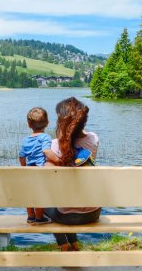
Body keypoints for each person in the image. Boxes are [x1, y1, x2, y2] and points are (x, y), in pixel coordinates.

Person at [43, 97, 100, 251]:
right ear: (84, 121)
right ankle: (74, 244)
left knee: (44, 200)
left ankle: (64, 245)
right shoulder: (93, 139)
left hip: (65, 215)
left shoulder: (54, 145)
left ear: (61, 121)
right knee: (72, 195)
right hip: (93, 212)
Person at [18, 107, 59, 225]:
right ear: (47, 123)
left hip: (29, 170)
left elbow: (21, 156)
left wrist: (24, 167)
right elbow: (46, 151)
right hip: (40, 170)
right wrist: (58, 160)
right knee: (40, 194)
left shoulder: (25, 140)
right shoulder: (45, 137)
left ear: (28, 124)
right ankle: (40, 217)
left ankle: (31, 216)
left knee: (29, 194)